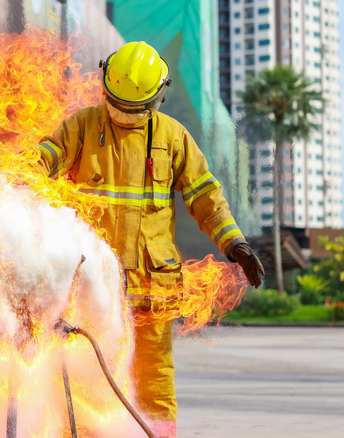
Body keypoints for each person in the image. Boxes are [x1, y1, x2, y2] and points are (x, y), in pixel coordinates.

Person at [37, 41, 264, 437]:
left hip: (150, 291)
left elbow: (206, 198)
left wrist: (235, 244)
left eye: (133, 108)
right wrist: (6, 171)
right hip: (92, 288)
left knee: (154, 381)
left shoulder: (173, 138)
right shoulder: (82, 126)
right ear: (105, 88)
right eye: (117, 104)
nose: (123, 115)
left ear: (157, 97)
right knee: (85, 375)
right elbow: (42, 161)